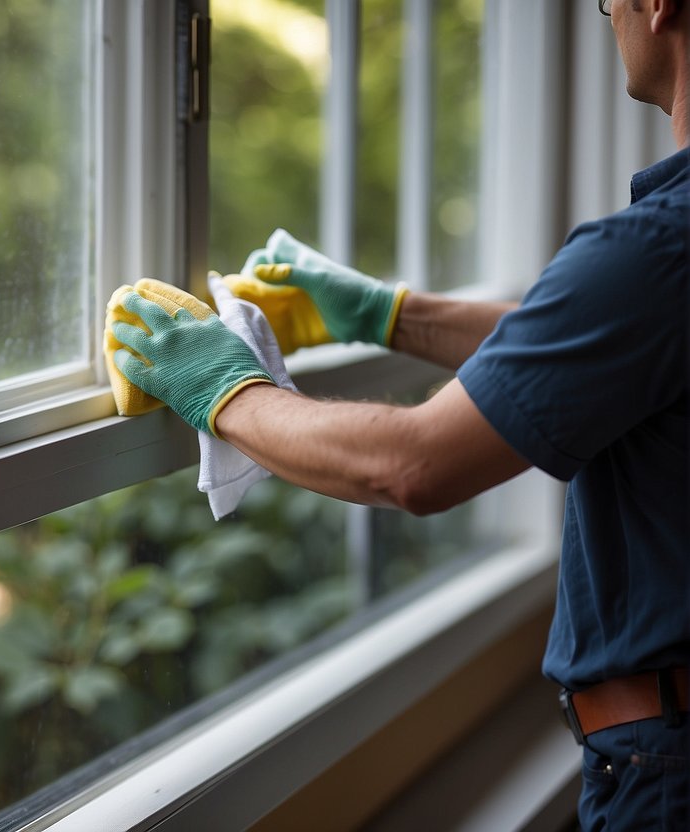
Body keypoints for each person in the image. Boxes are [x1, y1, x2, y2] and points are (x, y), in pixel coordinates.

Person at [109, 0, 688, 828]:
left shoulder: (658, 245)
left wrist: (224, 390)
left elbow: (411, 465)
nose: (605, 15)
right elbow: (607, 352)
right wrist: (386, 315)